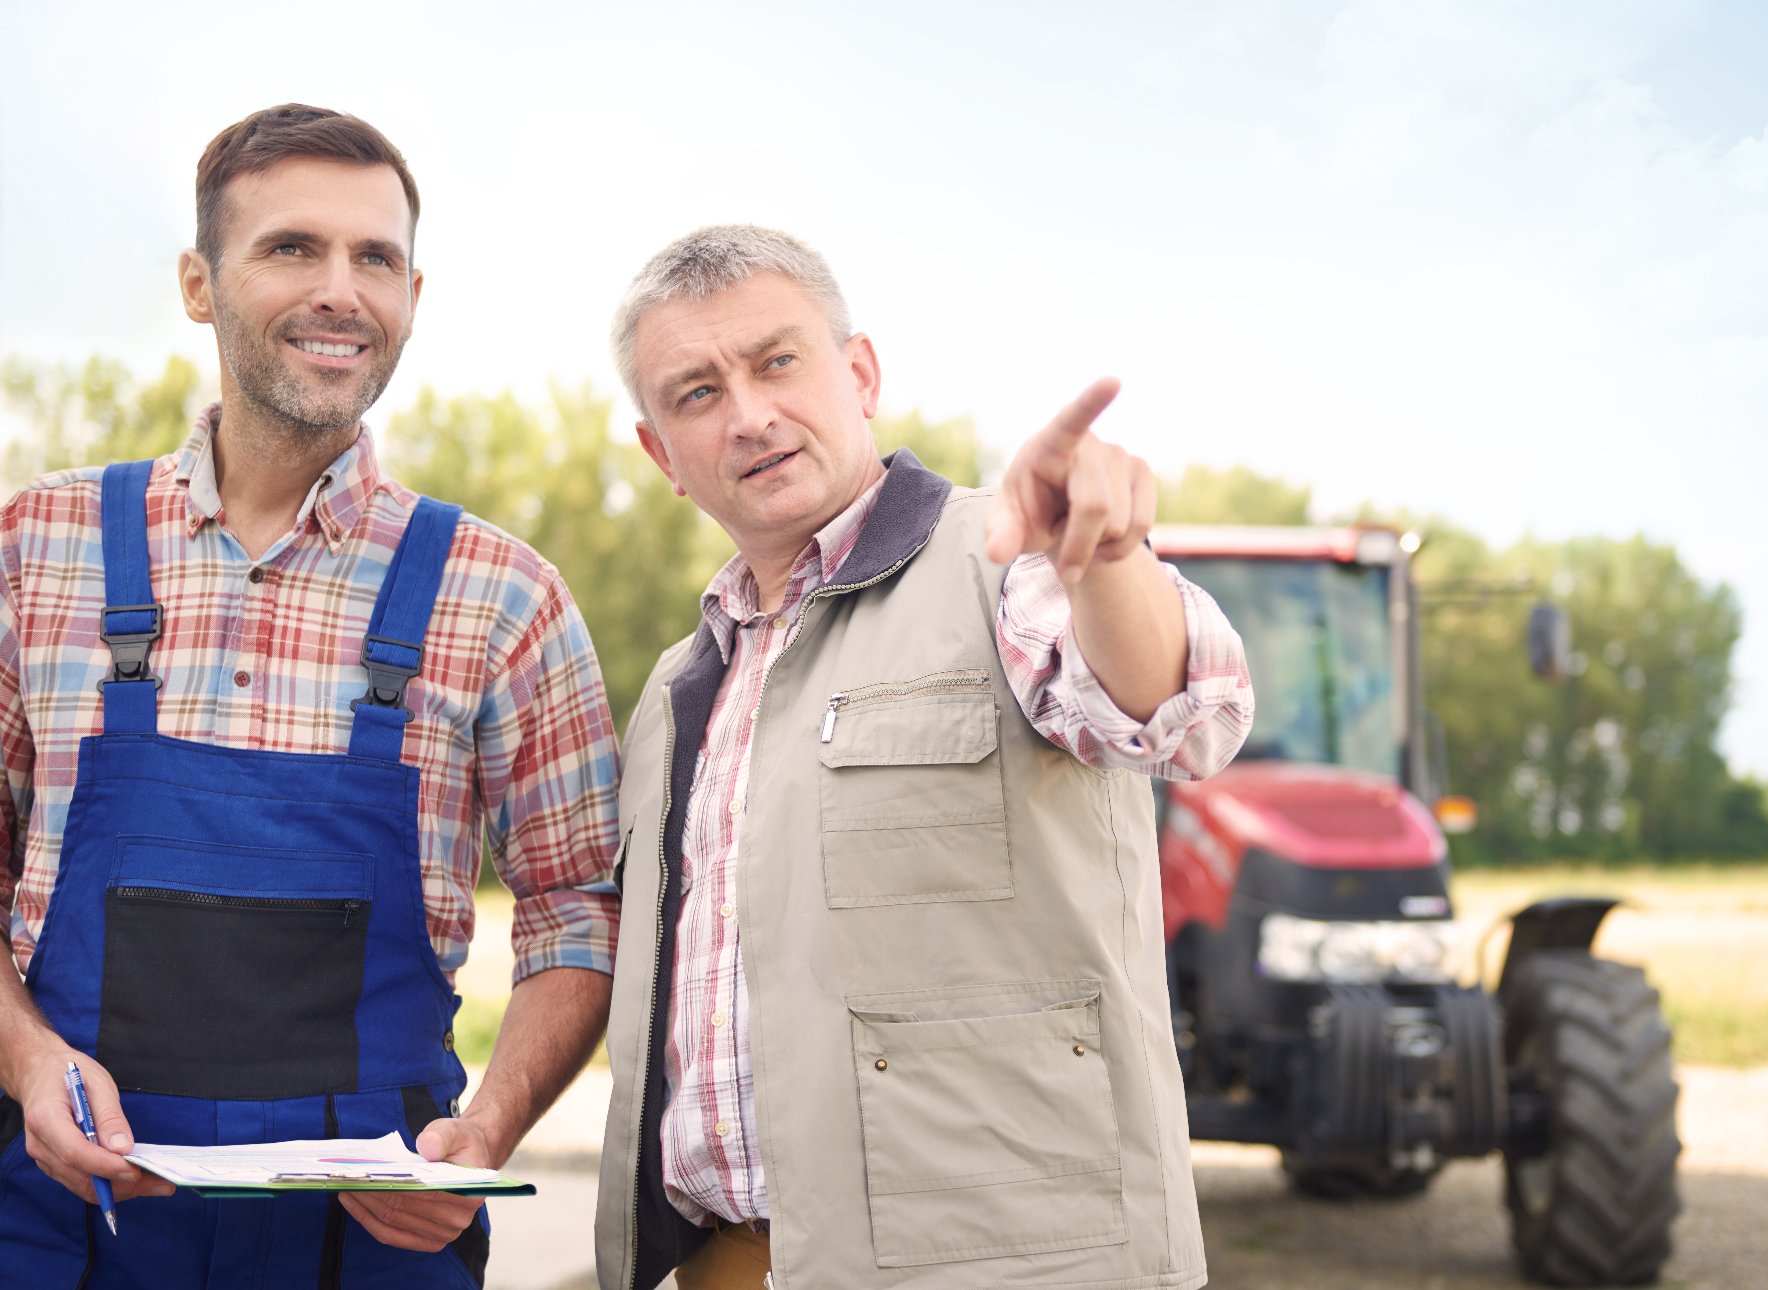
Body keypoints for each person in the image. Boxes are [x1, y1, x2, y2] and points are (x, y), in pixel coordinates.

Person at [0, 105, 623, 1288]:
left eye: (374, 258)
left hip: (368, 1241)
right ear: (199, 283)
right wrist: (30, 1063)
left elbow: (576, 913)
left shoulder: (503, 597)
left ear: (412, 295)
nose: (342, 289)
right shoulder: (39, 546)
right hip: (61, 1220)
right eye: (292, 248)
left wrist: (487, 1132)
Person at [592, 225, 1254, 1290]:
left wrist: (1108, 558)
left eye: (777, 362)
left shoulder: (1007, 567)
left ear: (859, 375)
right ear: (663, 455)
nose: (751, 413)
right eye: (698, 392)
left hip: (995, 1267)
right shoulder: (679, 691)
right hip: (731, 1266)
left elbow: (1181, 711)